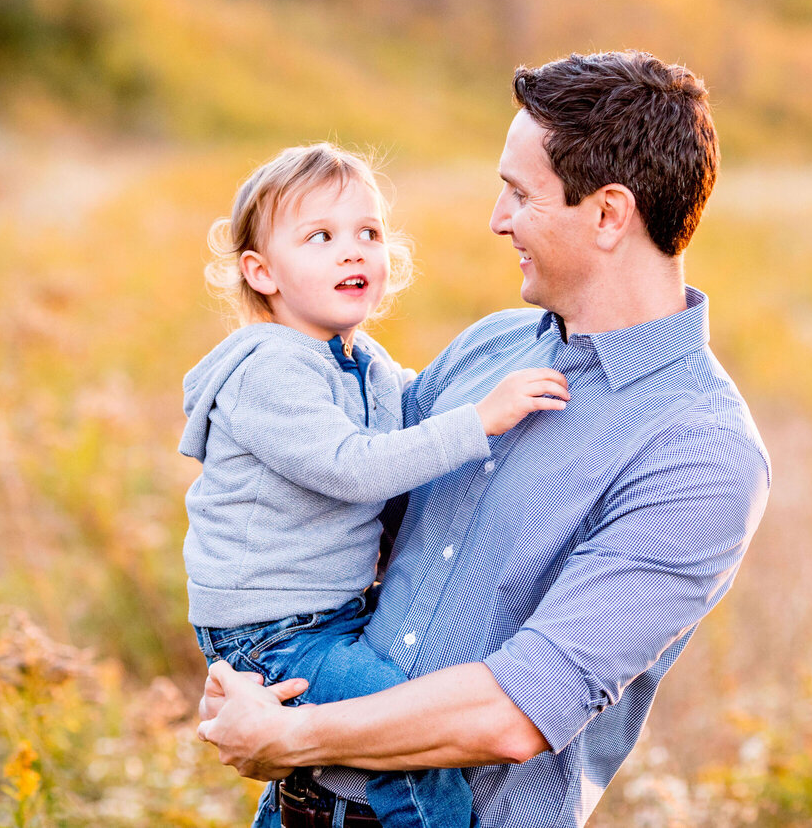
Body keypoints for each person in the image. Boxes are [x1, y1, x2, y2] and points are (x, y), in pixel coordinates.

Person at [196, 51, 772, 828]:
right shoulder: (491, 347)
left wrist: (289, 732)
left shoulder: (700, 452)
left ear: (607, 214)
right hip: (296, 808)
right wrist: (251, 653)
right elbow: (344, 505)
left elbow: (516, 711)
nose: (497, 220)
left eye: (519, 194)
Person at [179, 142, 572, 828]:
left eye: (369, 232)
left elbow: (411, 416)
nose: (353, 251)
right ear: (261, 272)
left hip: (321, 616)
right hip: (273, 632)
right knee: (412, 753)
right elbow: (355, 465)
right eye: (321, 237)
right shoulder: (270, 368)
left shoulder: (363, 361)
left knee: (345, 759)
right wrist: (481, 419)